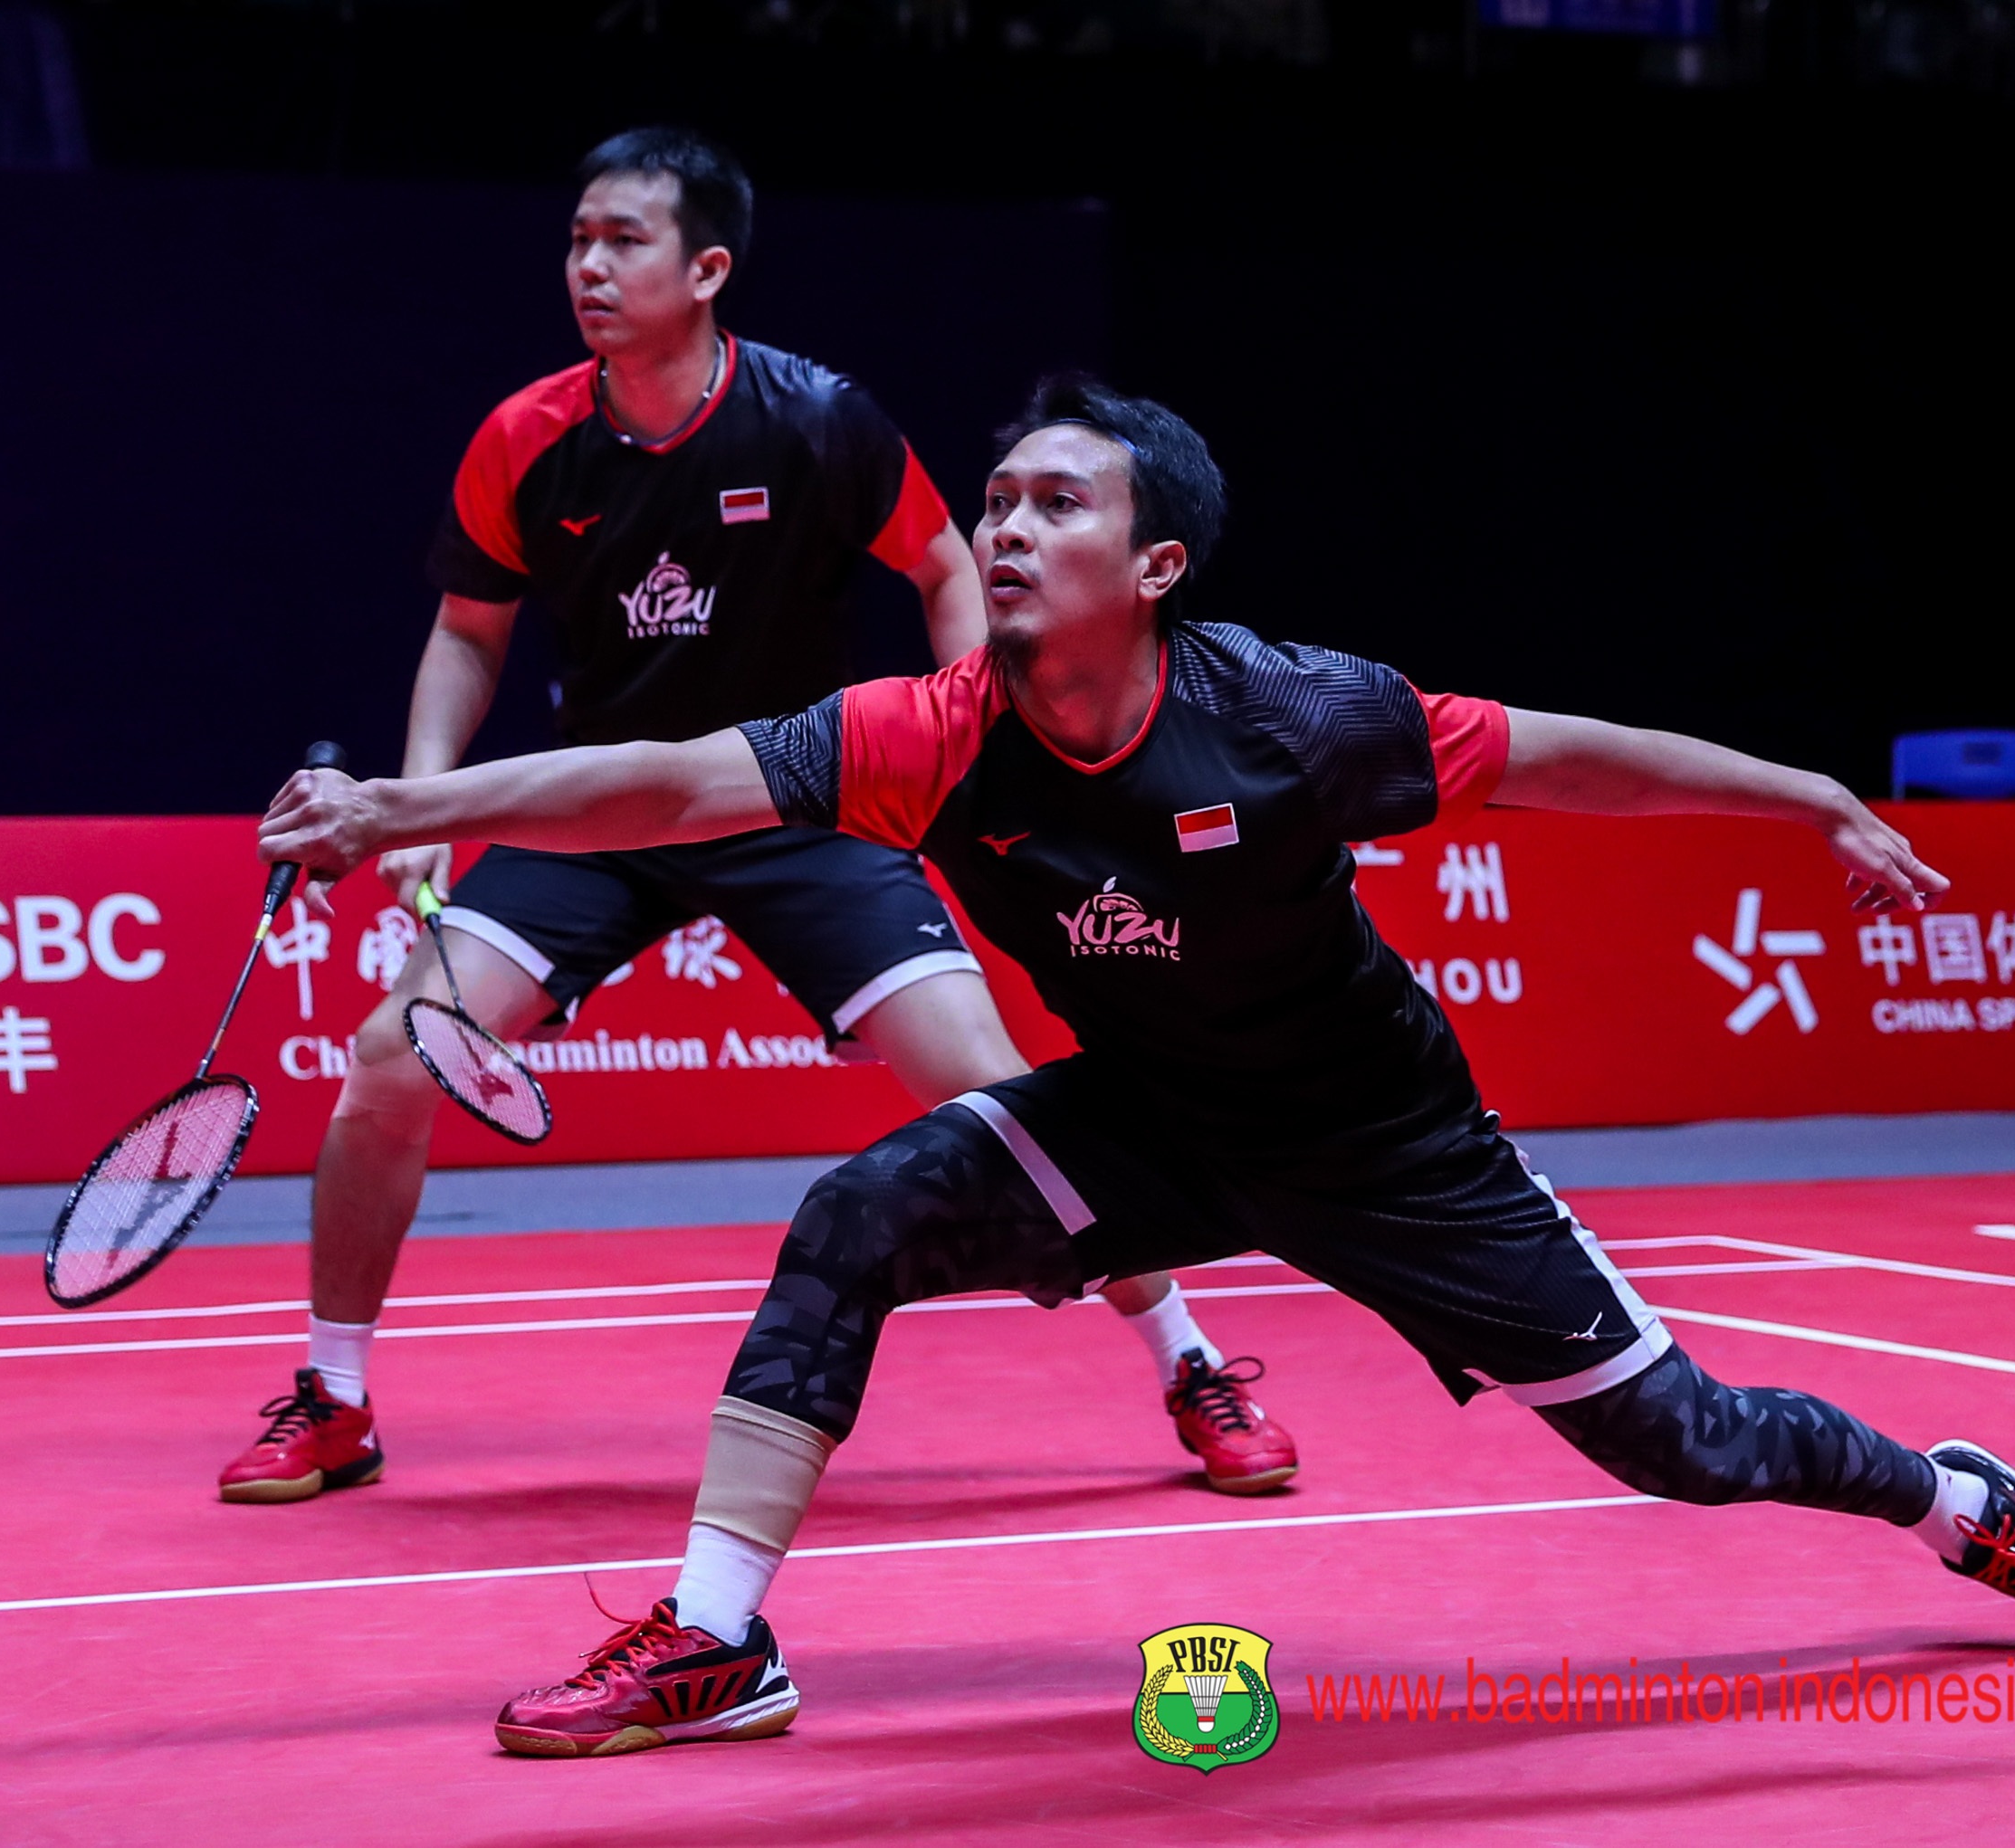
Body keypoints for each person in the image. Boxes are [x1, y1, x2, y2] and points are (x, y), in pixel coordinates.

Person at [260, 376, 2015, 1758]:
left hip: (1386, 1150)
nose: (1002, 529)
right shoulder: (932, 733)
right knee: (855, 1213)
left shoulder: (1286, 717)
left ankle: (1963, 1504)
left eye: (1053, 506)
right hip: (1156, 1122)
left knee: (1682, 1444)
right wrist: (404, 806)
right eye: (992, 501)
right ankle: (715, 1638)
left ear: (1153, 561)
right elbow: (669, 782)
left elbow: (1562, 753)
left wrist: (1798, 793)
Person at [215, 132, 1294, 1508]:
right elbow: (466, 630)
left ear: (706, 267)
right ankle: (334, 1393)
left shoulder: (814, 419)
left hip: (800, 796)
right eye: (576, 240)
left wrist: (961, 737)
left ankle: (1189, 1357)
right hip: (605, 802)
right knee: (387, 1064)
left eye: (621, 240)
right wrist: (422, 794)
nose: (588, 266)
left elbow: (941, 563)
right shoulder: (526, 438)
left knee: (992, 1086)